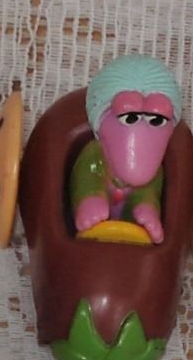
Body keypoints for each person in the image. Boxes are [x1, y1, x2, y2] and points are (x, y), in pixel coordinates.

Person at [68, 55, 181, 243]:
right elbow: (85, 178)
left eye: (156, 121)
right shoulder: (94, 154)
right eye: (130, 118)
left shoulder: (156, 169)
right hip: (91, 239)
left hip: (132, 239)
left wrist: (146, 206)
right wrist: (90, 198)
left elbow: (149, 191)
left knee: (144, 206)